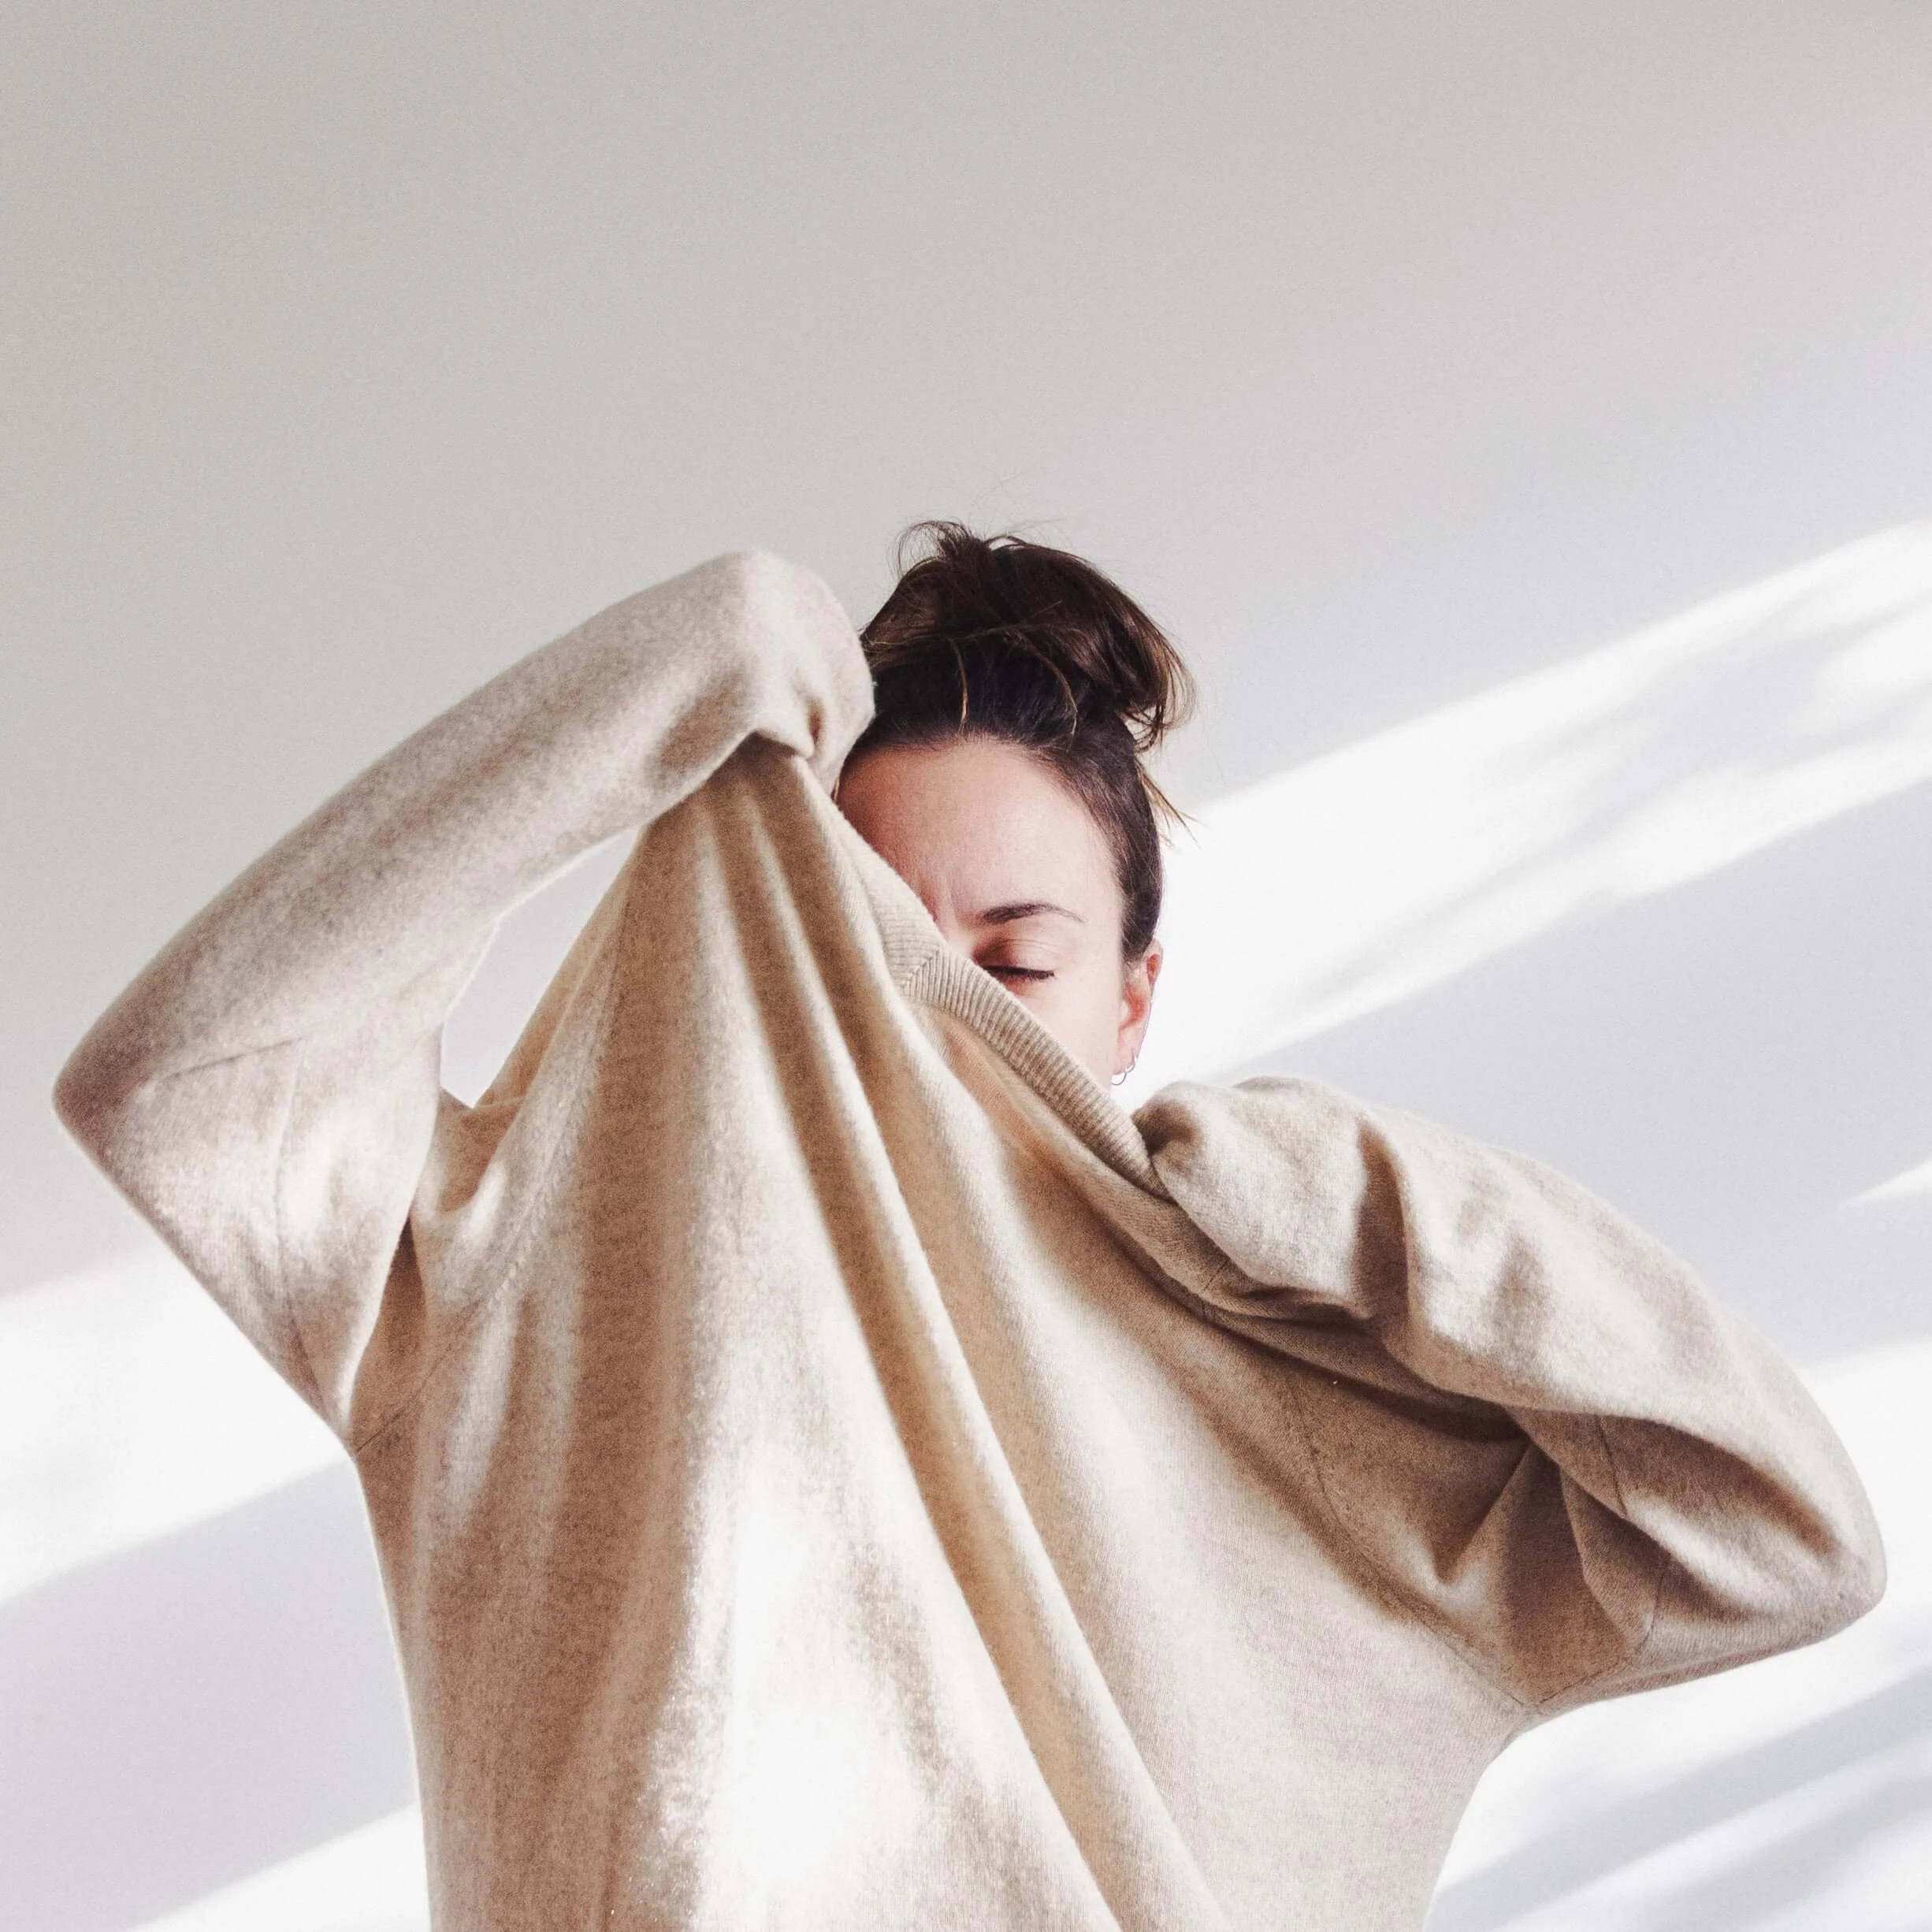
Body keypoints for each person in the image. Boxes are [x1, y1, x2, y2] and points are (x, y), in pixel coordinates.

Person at [55, 524, 1885, 1931]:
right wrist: (687, 667)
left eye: (1010, 965)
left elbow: (1780, 1540)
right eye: (869, 957)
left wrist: (1344, 1187)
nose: (934, 1024)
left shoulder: (1311, 1400)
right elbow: (177, 1083)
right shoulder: (523, 1285)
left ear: (1131, 996)